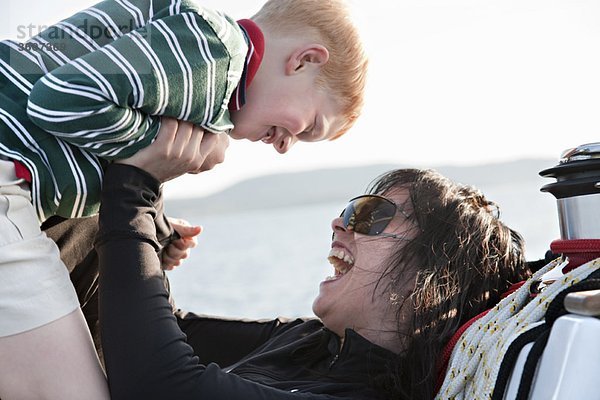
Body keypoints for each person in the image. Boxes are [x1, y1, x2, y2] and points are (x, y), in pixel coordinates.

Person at [0, 0, 367, 397]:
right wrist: (152, 150)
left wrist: (154, 225)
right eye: (308, 127)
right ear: (304, 61)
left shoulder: (196, 46)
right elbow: (60, 99)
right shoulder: (213, 55)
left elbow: (84, 131)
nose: (284, 146)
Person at [85, 125, 531, 399]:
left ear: (433, 275)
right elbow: (164, 334)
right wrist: (145, 247)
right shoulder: (313, 341)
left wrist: (136, 183)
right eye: (349, 210)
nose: (339, 223)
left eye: (370, 215)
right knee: (81, 225)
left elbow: (159, 388)